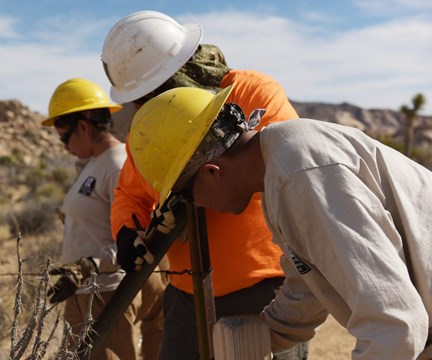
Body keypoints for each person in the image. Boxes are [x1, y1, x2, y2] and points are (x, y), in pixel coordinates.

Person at [128, 85, 432, 359]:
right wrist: (259, 336)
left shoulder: (300, 176)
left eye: (186, 196)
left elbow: (395, 325)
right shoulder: (283, 163)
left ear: (211, 171)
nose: (194, 207)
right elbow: (310, 286)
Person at [101, 10, 307, 359]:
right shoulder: (149, 127)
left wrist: (186, 191)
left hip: (265, 290)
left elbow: (284, 172)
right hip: (186, 295)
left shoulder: (254, 93)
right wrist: (127, 231)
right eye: (140, 101)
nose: (146, 109)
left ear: (178, 74)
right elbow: (131, 194)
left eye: (152, 96)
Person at [43, 78, 165, 360]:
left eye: (64, 137)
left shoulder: (117, 164)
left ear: (83, 127)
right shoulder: (97, 163)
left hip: (105, 294)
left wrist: (88, 266)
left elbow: (139, 236)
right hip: (89, 292)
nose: (64, 146)